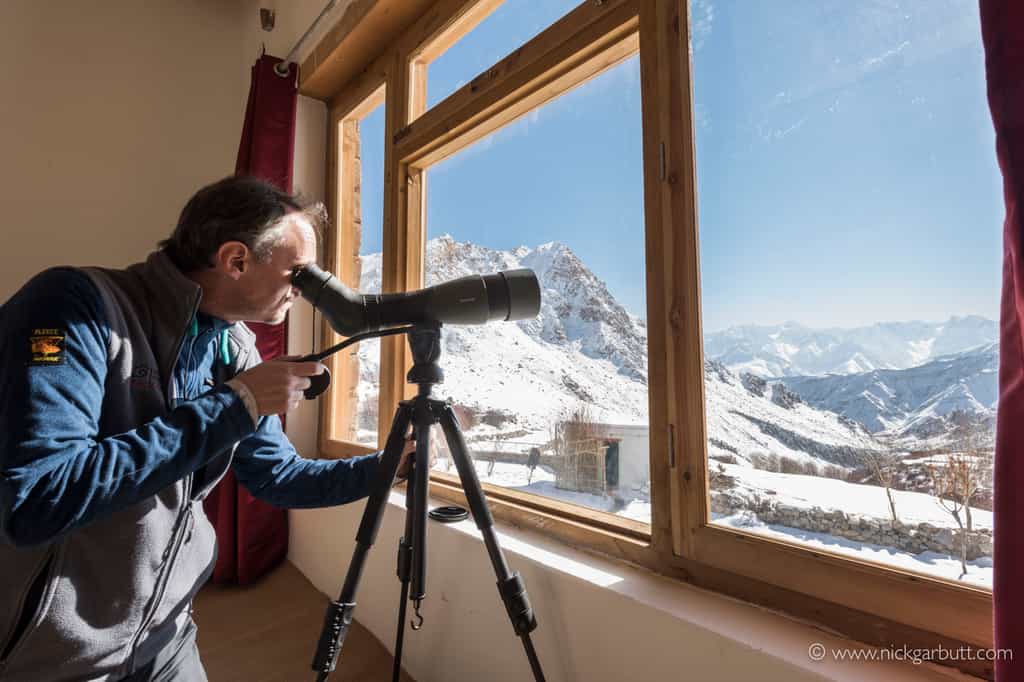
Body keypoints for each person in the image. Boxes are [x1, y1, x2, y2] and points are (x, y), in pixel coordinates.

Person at [0, 176, 416, 682]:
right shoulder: (73, 306)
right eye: (299, 274)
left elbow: (277, 477)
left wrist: (385, 467)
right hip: (52, 651)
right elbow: (39, 496)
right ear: (236, 260)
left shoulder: (232, 347)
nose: (302, 293)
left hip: (166, 633)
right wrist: (236, 405)